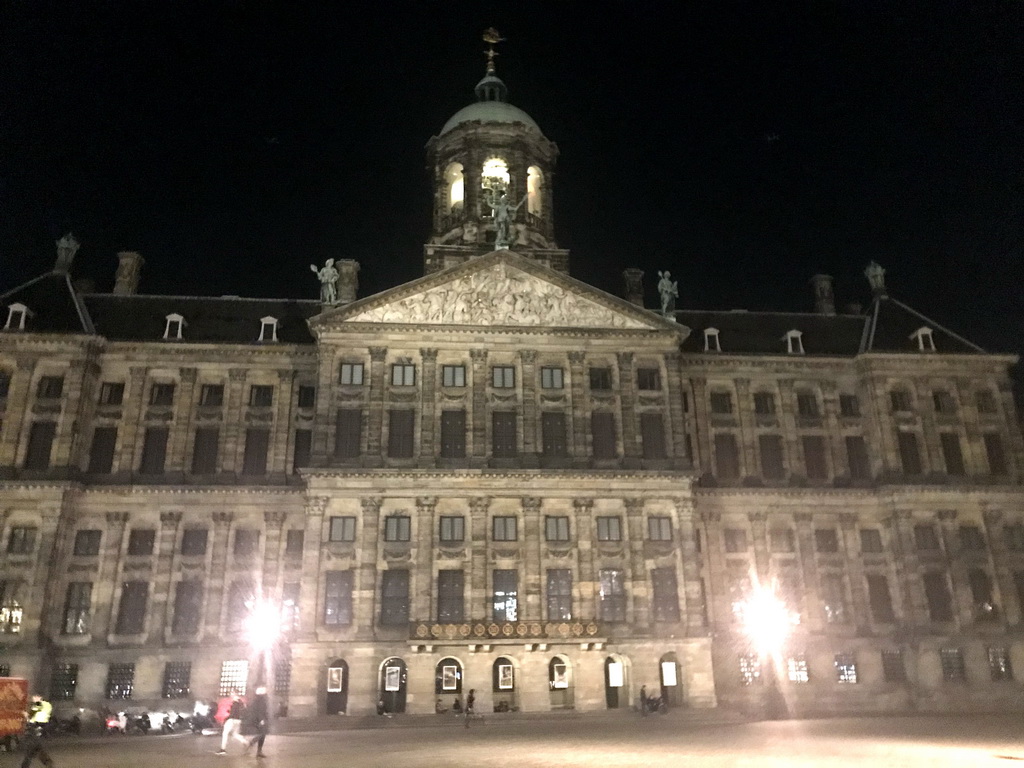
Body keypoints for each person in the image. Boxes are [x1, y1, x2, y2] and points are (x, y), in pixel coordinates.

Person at [21, 694, 54, 768]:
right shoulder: (48, 705)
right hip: (42, 728)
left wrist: (26, 715)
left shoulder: (38, 704)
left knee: (30, 750)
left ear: (39, 697)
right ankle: (48, 763)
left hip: (34, 728)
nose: (33, 699)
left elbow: (31, 715)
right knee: (37, 748)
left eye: (34, 698)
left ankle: (24, 766)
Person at [244, 685, 269, 758]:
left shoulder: (257, 699)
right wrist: (261, 719)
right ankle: (252, 743)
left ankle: (259, 751)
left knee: (262, 734)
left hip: (257, 719)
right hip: (259, 719)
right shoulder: (261, 700)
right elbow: (260, 710)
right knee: (262, 733)